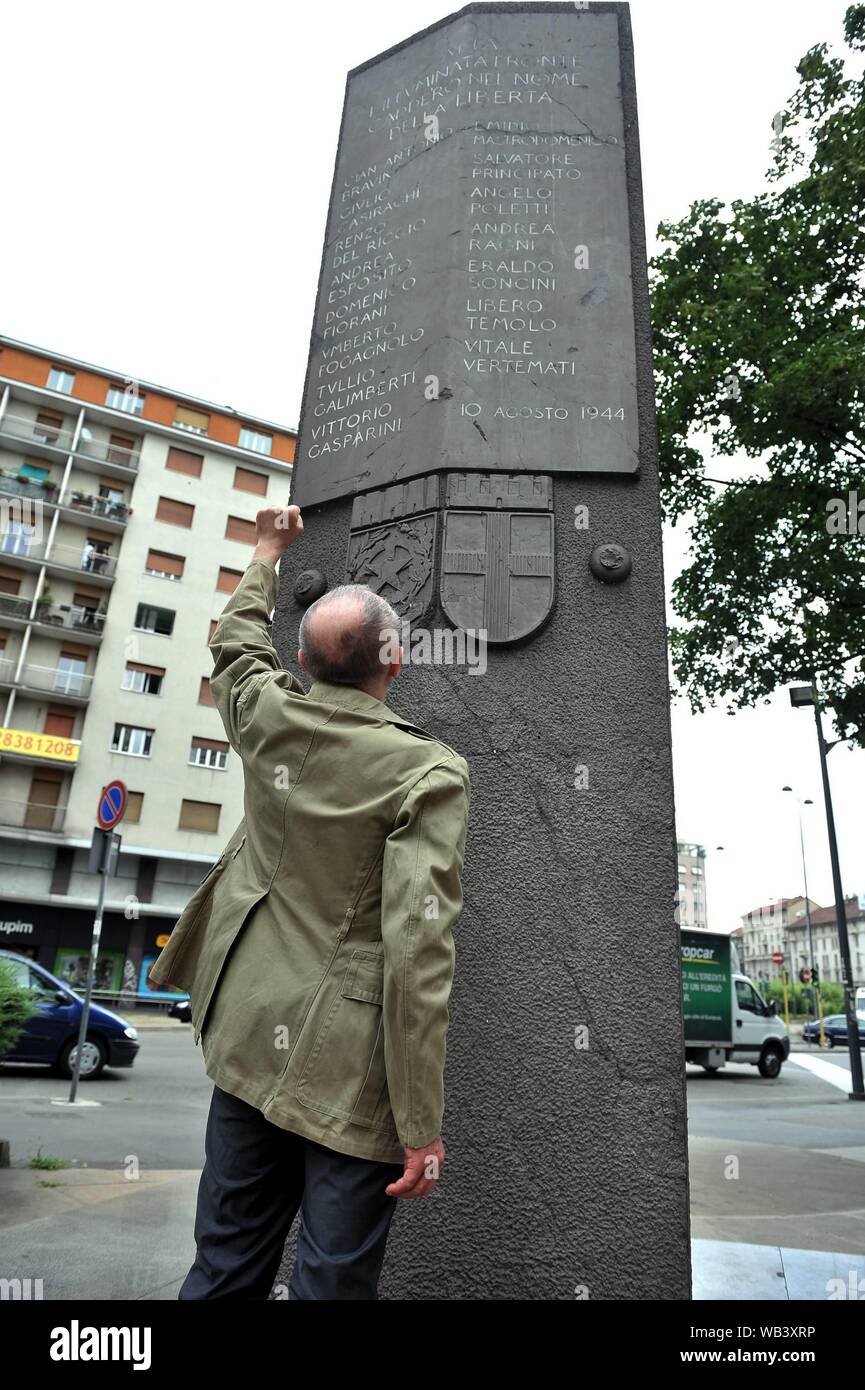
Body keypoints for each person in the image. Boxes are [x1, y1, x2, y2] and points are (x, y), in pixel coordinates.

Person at [148, 504, 471, 1300]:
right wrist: (420, 1123)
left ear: (301, 657)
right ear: (393, 663)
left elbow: (234, 643)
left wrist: (266, 551)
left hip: (248, 1035)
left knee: (223, 1264)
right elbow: (418, 949)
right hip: (348, 1071)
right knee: (329, 1282)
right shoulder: (426, 774)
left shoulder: (265, 715)